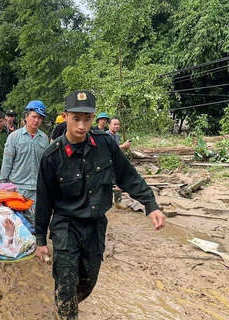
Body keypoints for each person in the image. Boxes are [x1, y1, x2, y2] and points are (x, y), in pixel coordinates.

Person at [35, 90, 166, 319]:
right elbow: (44, 200)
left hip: (95, 226)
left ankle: (66, 304)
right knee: (66, 283)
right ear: (65, 116)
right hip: (66, 226)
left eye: (87, 119)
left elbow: (127, 175)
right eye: (76, 118)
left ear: (94, 118)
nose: (81, 126)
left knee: (87, 281)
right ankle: (65, 309)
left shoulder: (105, 143)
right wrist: (40, 240)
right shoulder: (52, 156)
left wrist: (151, 204)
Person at [0, 101, 49, 224]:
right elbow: (7, 162)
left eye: (40, 118)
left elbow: (45, 166)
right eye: (34, 116)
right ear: (26, 117)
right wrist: (4, 185)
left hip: (36, 189)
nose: (36, 120)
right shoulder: (14, 137)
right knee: (16, 223)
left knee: (35, 223)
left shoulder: (44, 139)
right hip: (17, 188)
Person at [107, 117, 132, 209]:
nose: (116, 126)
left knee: (119, 181)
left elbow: (117, 149)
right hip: (107, 163)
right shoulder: (106, 136)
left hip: (115, 162)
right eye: (114, 124)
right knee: (107, 182)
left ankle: (117, 202)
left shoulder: (117, 136)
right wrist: (123, 146)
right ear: (109, 125)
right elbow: (110, 149)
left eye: (118, 124)